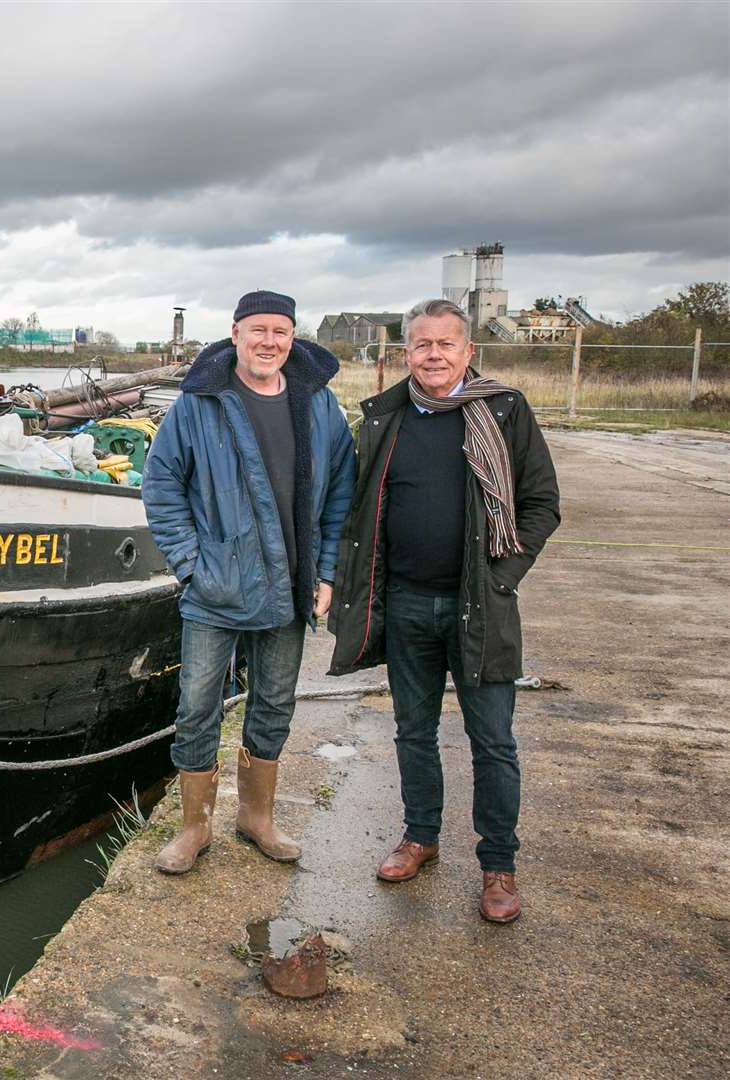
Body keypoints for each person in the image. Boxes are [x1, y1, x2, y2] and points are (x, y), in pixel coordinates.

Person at [328, 298, 560, 923]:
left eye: (445, 344)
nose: (433, 355)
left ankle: (498, 866)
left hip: (479, 608)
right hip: (404, 604)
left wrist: (502, 576)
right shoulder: (385, 417)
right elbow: (356, 510)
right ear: (406, 352)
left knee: (493, 740)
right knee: (412, 731)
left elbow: (541, 503)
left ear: (467, 352)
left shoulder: (503, 411)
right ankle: (420, 836)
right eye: (422, 345)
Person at [142, 290, 356, 874]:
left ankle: (256, 818)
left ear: (293, 337)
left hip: (291, 587)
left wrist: (328, 571)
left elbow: (341, 495)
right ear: (235, 334)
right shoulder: (199, 404)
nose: (269, 342)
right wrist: (191, 564)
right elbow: (161, 485)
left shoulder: (320, 405)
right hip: (216, 589)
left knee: (274, 704)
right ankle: (194, 827)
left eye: (280, 331)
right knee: (196, 708)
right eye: (257, 330)